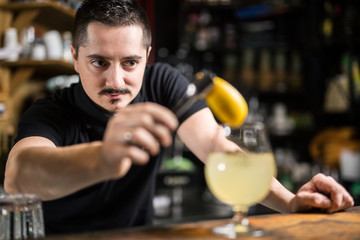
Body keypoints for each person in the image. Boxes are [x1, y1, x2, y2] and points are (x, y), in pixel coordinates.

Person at [4, 0, 354, 235]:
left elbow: (219, 148)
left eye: (130, 63)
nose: (115, 81)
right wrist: (104, 157)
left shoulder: (162, 83)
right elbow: (19, 177)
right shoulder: (51, 110)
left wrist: (290, 201)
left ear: (147, 56)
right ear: (75, 58)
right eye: (98, 62)